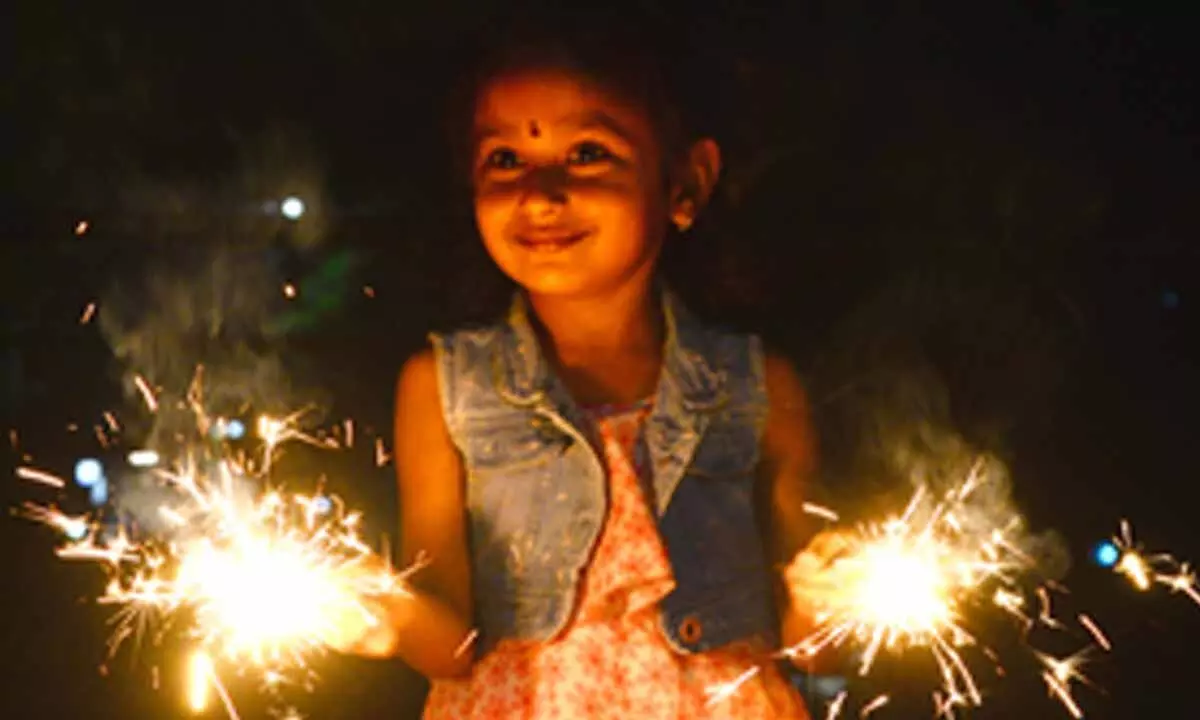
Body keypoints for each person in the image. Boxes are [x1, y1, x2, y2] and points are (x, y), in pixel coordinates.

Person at [327, 6, 838, 717]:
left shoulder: (755, 384)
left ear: (686, 183)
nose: (540, 194)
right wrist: (387, 613)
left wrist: (832, 593)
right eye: (505, 159)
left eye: (589, 153)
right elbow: (452, 642)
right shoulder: (442, 387)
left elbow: (816, 648)